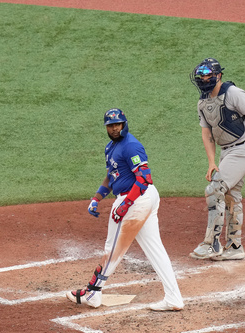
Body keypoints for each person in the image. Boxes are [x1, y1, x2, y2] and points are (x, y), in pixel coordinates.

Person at [66, 108, 184, 311]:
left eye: (117, 124)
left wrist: (126, 204)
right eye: (110, 125)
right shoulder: (111, 148)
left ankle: (93, 292)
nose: (114, 128)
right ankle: (174, 298)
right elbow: (112, 177)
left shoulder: (131, 146)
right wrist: (97, 197)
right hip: (139, 199)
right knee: (155, 249)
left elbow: (144, 179)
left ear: (124, 124)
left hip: (137, 198)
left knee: (112, 248)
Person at [189, 57, 245, 261]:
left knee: (214, 189)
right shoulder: (202, 102)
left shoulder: (233, 94)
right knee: (231, 195)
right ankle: (235, 246)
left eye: (207, 76)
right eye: (200, 77)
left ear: (218, 76)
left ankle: (211, 244)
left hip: (243, 149)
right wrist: (212, 162)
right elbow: (207, 134)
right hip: (226, 152)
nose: (203, 80)